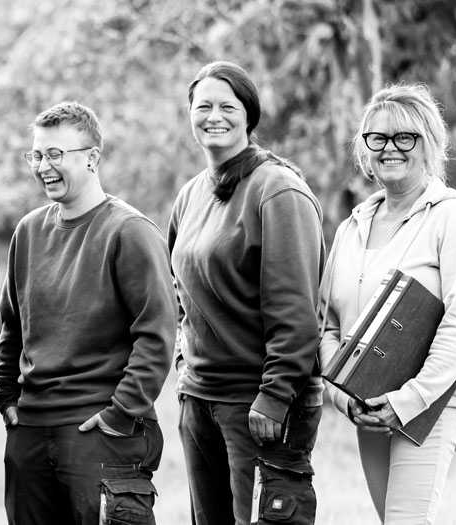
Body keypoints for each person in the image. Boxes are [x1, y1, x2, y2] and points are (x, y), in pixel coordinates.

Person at [0, 101, 175, 525]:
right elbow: (13, 326)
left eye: (55, 154)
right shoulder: (28, 231)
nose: (43, 167)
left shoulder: (129, 232)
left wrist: (121, 413)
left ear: (92, 158)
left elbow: (157, 333)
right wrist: (6, 397)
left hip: (100, 434)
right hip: (30, 434)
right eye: (37, 155)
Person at [318, 83, 456, 524]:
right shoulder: (351, 228)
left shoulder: (452, 217)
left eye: (404, 137)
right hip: (367, 403)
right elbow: (327, 326)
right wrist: (343, 397)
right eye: (378, 138)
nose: (389, 148)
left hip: (429, 404)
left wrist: (410, 399)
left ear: (428, 143)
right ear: (365, 148)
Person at [168, 61, 325, 525]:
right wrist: (183, 363)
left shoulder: (277, 190)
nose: (214, 116)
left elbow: (295, 309)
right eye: (203, 107)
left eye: (227, 106)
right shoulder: (190, 195)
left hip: (259, 406)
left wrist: (275, 395)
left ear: (248, 115)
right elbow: (179, 293)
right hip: (199, 400)